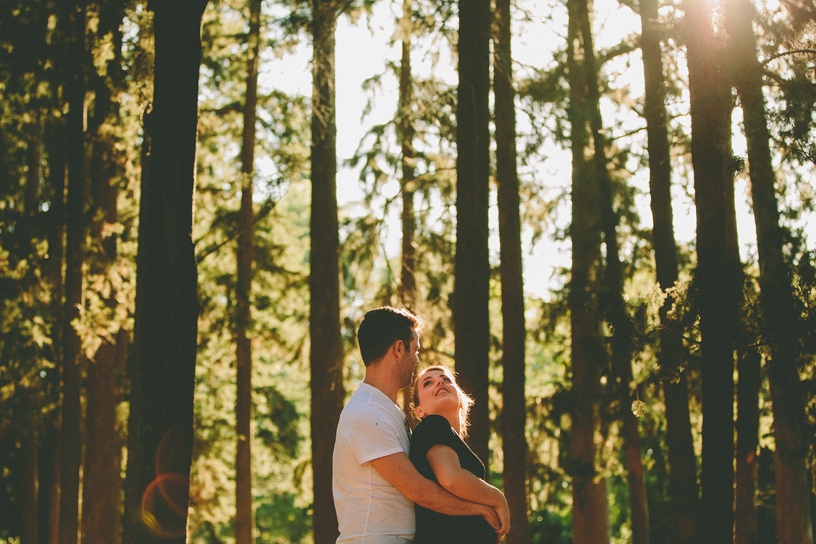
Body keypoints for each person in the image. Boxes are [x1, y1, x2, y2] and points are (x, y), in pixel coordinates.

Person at [332, 307, 508, 544]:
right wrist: (484, 506)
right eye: (415, 350)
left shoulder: (389, 411)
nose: (416, 360)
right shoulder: (367, 411)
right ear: (398, 349)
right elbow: (418, 490)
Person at [409, 365, 510, 544]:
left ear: (460, 397)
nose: (440, 381)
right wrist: (498, 499)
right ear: (419, 411)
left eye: (446, 379)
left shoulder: (453, 442)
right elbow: (450, 478)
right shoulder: (434, 424)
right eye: (427, 383)